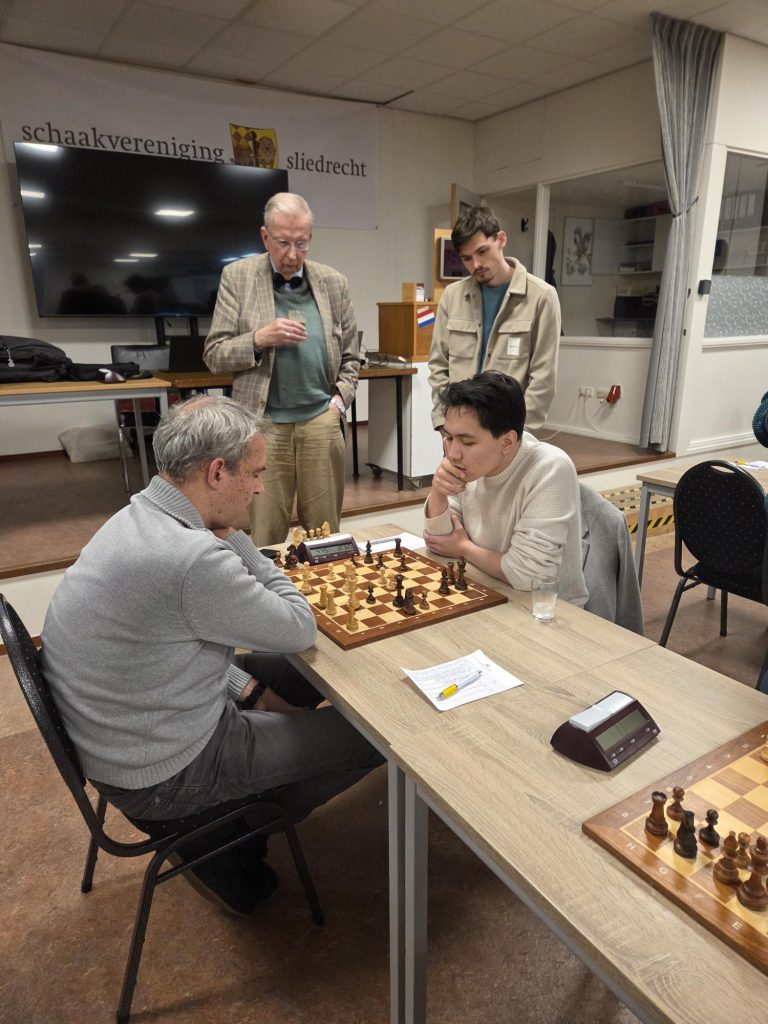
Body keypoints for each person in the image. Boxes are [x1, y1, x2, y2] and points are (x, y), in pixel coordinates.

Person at [41, 395, 383, 916]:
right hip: (165, 774)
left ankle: (241, 812)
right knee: (379, 738)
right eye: (256, 472)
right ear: (217, 472)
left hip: (127, 734)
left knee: (293, 675)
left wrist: (253, 691)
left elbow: (164, 645)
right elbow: (298, 626)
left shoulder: (139, 515)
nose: (262, 487)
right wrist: (239, 543)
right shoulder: (191, 557)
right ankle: (241, 823)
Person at [204, 192, 359, 547]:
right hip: (263, 426)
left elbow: (352, 356)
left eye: (301, 243)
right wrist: (258, 339)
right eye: (283, 243)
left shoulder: (334, 283)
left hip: (321, 421)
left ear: (310, 237)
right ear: (265, 237)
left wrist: (338, 403)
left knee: (325, 535)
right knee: (267, 535)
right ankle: (270, 586)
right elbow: (214, 355)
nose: (292, 254)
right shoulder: (237, 277)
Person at [423, 371, 587, 606]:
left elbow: (526, 575)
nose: (453, 453)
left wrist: (463, 548)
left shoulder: (550, 468)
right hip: (485, 586)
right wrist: (438, 491)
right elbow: (438, 542)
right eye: (448, 438)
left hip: (547, 608)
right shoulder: (467, 463)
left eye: (467, 442)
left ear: (507, 442)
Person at [428, 203, 560, 435]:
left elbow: (543, 378)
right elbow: (439, 365)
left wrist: (519, 434)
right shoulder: (452, 296)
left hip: (507, 432)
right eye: (467, 258)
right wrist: (443, 423)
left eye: (482, 251)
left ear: (501, 240)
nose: (476, 265)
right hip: (459, 430)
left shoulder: (541, 297)